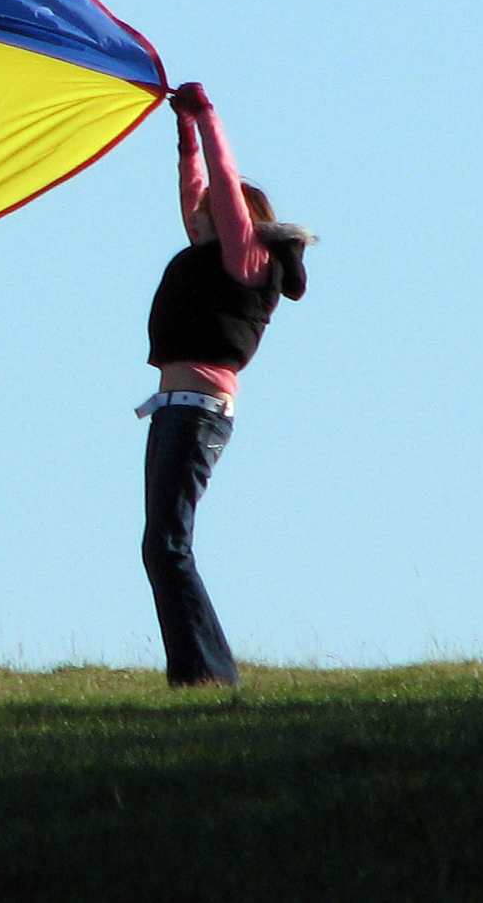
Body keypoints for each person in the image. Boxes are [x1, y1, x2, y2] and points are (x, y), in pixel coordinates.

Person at [140, 83, 314, 687]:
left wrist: (208, 117)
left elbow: (221, 178)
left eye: (216, 207)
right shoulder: (208, 252)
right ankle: (196, 674)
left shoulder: (246, 261)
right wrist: (183, 135)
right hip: (171, 410)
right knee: (158, 548)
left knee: (167, 546)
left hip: (197, 411)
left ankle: (210, 677)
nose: (199, 212)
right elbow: (196, 189)